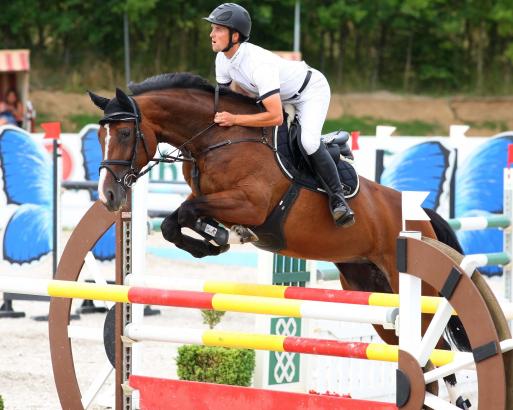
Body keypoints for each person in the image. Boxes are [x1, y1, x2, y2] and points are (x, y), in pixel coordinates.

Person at [204, 3, 355, 227]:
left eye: (218, 29)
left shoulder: (258, 64)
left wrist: (234, 119)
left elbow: (275, 117)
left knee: (308, 142)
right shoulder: (222, 60)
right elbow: (225, 101)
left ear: (235, 36)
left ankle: (338, 200)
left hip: (310, 91)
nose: (211, 34)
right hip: (280, 95)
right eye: (213, 28)